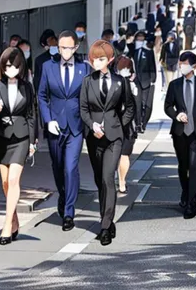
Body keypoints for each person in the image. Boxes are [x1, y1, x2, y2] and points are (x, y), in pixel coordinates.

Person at [80, 41, 135, 246]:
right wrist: (92, 125)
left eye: (101, 58)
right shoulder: (87, 81)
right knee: (99, 180)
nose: (96, 62)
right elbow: (83, 108)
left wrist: (119, 125)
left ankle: (104, 226)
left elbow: (129, 107)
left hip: (114, 137)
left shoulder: (121, 81)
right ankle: (108, 219)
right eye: (94, 58)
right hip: (94, 137)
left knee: (107, 178)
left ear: (110, 60)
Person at [38, 30, 90, 231]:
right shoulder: (48, 67)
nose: (65, 51)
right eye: (62, 47)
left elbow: (88, 96)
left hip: (76, 126)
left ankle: (69, 212)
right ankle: (63, 195)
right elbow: (42, 96)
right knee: (58, 168)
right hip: (55, 125)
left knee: (71, 167)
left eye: (69, 47)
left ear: (76, 47)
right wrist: (48, 119)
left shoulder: (83, 68)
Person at [0, 48, 36, 245]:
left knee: (15, 180)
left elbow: (32, 115)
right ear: (2, 66)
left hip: (21, 137)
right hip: (1, 137)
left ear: (21, 67)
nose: (11, 69)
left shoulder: (27, 87)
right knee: (6, 183)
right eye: (8, 66)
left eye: (15, 66)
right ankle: (14, 219)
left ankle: (7, 225)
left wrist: (33, 141)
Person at [164, 51, 196, 219]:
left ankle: (192, 203)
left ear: (194, 66)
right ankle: (186, 193)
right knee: (183, 165)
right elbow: (168, 106)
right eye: (180, 64)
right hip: (179, 132)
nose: (181, 67)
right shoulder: (174, 85)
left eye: (184, 64)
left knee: (194, 166)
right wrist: (176, 115)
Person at [114, 56, 138, 196]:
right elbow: (136, 107)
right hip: (128, 125)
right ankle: (122, 182)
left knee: (117, 154)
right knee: (124, 155)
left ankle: (118, 181)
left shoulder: (112, 83)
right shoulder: (133, 85)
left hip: (114, 124)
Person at [133, 31, 157, 132]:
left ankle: (144, 122)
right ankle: (138, 124)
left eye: (142, 37)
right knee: (137, 103)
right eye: (138, 37)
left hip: (147, 81)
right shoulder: (132, 50)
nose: (140, 39)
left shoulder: (148, 52)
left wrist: (153, 79)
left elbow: (152, 65)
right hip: (135, 81)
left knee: (146, 104)